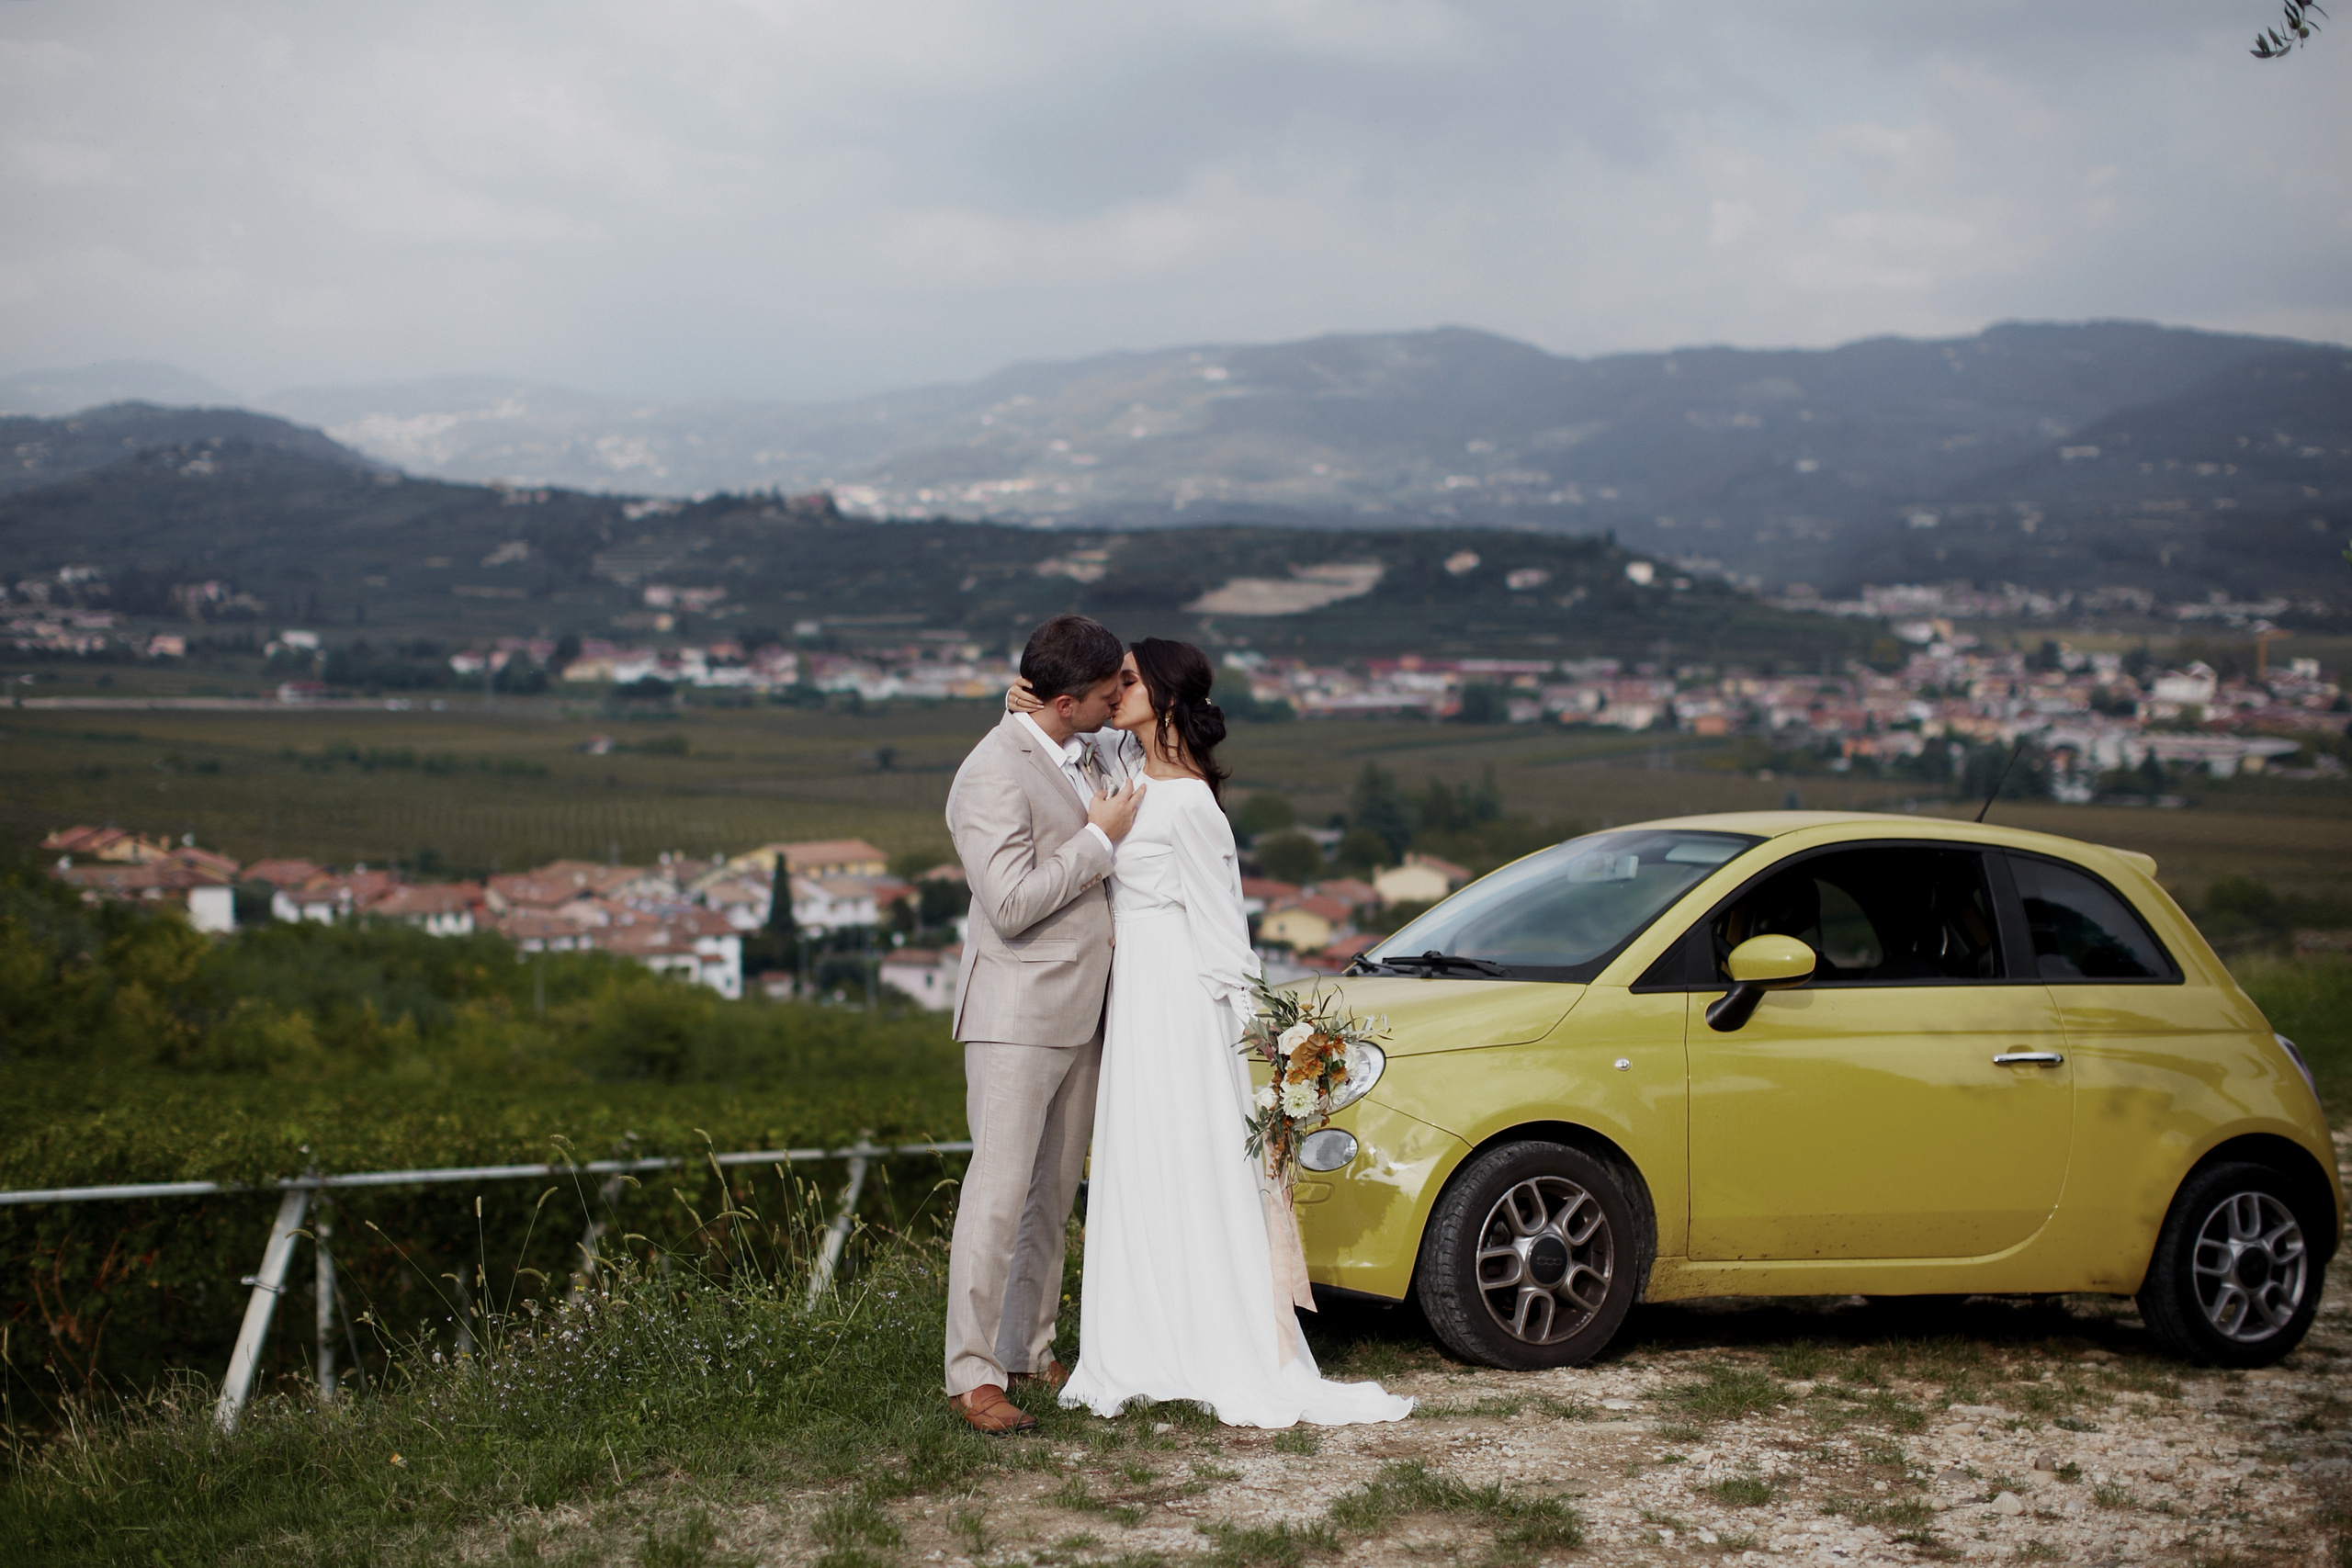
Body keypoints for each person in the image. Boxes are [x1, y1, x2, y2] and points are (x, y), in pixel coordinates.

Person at [1016, 639, 1412, 1427]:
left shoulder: (1192, 804)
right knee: (1138, 1162)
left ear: (1164, 695)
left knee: (1187, 1158)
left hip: (1179, 1002)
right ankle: (1140, 1340)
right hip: (1134, 997)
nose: (1113, 689)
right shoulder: (1123, 767)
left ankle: (1208, 1340)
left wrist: (1276, 1040)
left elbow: (1226, 933)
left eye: (1129, 679)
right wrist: (1021, 699)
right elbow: (1069, 738)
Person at [941, 614, 1147, 1436]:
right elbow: (1011, 902)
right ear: (1065, 702)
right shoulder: (989, 773)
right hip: (1016, 1014)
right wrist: (1098, 840)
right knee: (996, 1197)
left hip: (1083, 1011)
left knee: (1050, 1198)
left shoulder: (1080, 744)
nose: (1115, 702)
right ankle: (971, 1375)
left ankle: (1028, 1347)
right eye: (1105, 693)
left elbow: (1130, 730)